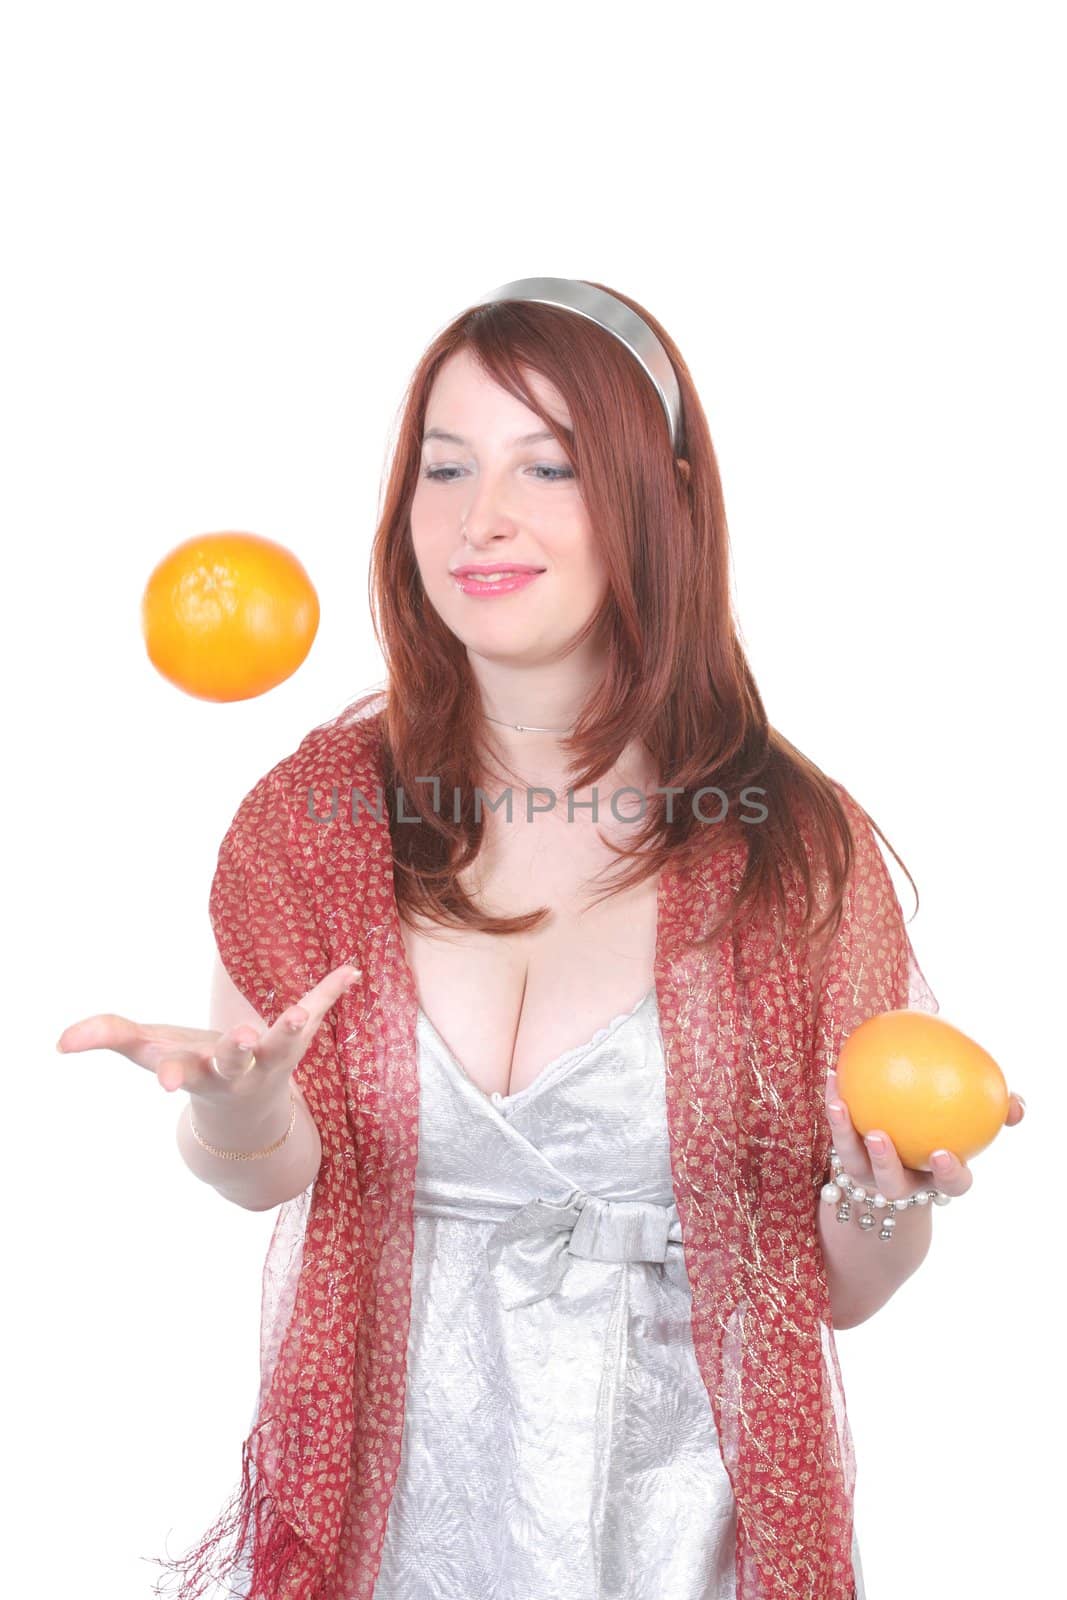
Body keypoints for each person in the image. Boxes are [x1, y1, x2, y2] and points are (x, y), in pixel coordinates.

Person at [57, 278, 1025, 1600]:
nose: (480, 519)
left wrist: (885, 1199)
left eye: (548, 465)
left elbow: (842, 1287)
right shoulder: (317, 820)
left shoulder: (792, 850)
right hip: (389, 1527)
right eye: (444, 467)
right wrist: (237, 1111)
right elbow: (271, 1172)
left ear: (660, 500)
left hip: (678, 1537)